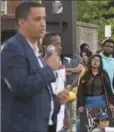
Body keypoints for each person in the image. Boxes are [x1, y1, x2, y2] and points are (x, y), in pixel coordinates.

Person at [1, 2, 69, 132]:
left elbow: (36, 92)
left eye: (44, 18)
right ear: (22, 22)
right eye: (37, 19)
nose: (43, 23)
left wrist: (56, 100)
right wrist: (49, 69)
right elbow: (21, 86)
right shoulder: (13, 48)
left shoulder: (34, 51)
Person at [77, 55, 114, 131]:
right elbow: (80, 90)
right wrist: (80, 104)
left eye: (98, 60)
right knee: (84, 125)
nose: (95, 62)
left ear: (100, 63)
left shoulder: (103, 74)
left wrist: (110, 104)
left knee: (102, 125)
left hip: (101, 101)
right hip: (87, 102)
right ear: (90, 61)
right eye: (94, 60)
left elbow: (108, 90)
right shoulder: (85, 74)